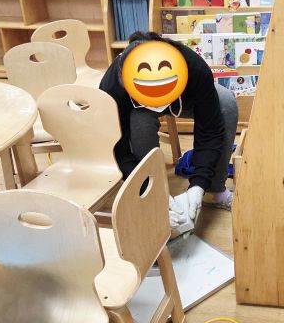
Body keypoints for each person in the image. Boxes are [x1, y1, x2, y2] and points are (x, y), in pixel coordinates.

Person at [100, 31, 238, 237]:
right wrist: (150, 193)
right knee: (139, 123)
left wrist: (199, 184)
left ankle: (215, 189)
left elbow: (210, 130)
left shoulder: (193, 67)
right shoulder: (112, 87)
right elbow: (118, 149)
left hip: (183, 96)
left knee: (225, 102)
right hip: (138, 108)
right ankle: (154, 195)